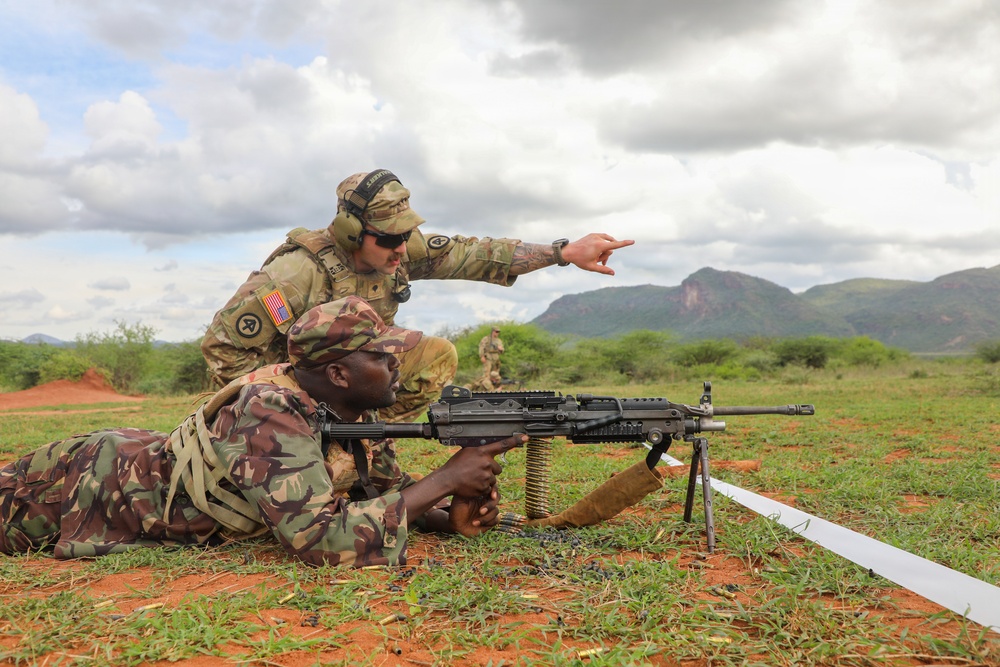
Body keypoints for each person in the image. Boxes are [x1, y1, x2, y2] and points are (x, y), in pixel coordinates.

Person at [0, 297, 524, 567]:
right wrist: (445, 478)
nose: (396, 363)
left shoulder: (355, 412)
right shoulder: (269, 408)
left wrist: (442, 513)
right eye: (381, 354)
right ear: (339, 375)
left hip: (128, 471)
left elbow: (381, 496)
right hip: (85, 489)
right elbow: (318, 540)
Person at [201, 168, 634, 422]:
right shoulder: (295, 274)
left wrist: (563, 252)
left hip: (349, 381)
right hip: (289, 391)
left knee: (438, 355)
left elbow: (475, 254)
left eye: (407, 236)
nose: (403, 250)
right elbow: (224, 349)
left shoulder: (401, 249)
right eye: (390, 240)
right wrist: (284, 405)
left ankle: (357, 439)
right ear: (353, 233)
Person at [477, 327, 505, 391]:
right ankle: (485, 388)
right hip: (488, 357)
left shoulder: (499, 340)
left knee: (495, 374)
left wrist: (500, 349)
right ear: (492, 331)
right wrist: (482, 356)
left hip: (496, 358)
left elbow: (502, 350)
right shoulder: (486, 339)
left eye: (498, 332)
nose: (497, 333)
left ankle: (494, 389)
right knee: (487, 374)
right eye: (496, 331)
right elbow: (481, 347)